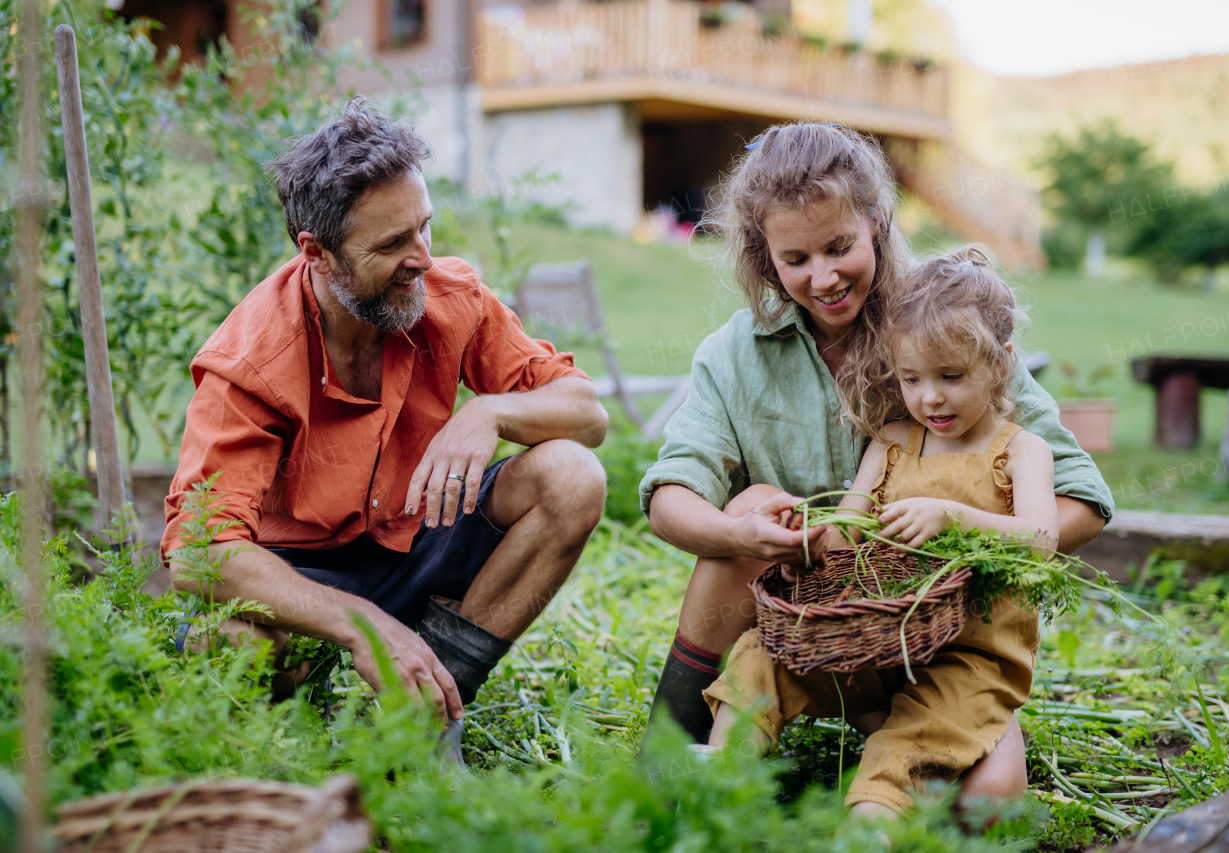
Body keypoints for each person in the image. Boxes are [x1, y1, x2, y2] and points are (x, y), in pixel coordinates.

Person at [639, 123, 1113, 799]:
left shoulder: (940, 324)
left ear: (877, 226)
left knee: (987, 805)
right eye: (796, 257)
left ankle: (911, 734)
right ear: (764, 256)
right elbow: (671, 496)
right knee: (747, 510)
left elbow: (1081, 501)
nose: (825, 277)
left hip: (944, 633)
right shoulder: (733, 353)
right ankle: (671, 749)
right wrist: (739, 533)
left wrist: (960, 540)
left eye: (840, 246)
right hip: (815, 632)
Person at [161, 98, 609, 758]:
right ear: (317, 253)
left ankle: (430, 715)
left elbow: (588, 415)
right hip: (304, 577)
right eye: (393, 244)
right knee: (221, 642)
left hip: (417, 543)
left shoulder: (451, 299)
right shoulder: (252, 361)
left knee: (572, 475)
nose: (423, 258)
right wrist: (361, 624)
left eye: (424, 228)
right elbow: (200, 551)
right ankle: (295, 758)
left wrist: (490, 411)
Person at [704, 245, 1054, 816]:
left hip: (967, 661)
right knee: (759, 656)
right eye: (911, 378)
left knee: (907, 757)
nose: (929, 397)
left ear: (1003, 362)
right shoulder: (893, 440)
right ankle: (717, 790)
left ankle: (872, 822)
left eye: (951, 376)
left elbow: (1042, 541)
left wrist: (953, 516)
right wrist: (807, 541)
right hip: (877, 646)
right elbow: (850, 531)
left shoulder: (1020, 451)